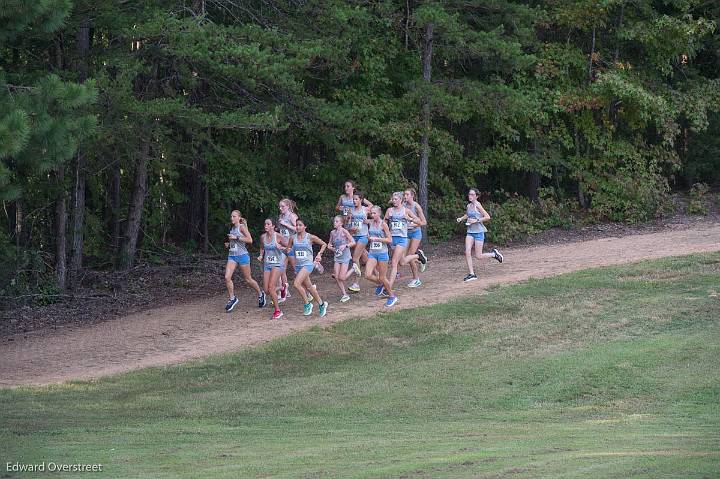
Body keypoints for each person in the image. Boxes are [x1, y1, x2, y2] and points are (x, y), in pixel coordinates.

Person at [455, 188, 503, 282]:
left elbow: (487, 217)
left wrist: (476, 221)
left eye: (472, 195)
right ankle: (472, 274)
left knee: (479, 256)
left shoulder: (478, 205)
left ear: (476, 196)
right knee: (467, 251)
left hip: (479, 232)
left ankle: (494, 254)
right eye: (469, 194)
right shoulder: (469, 205)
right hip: (470, 232)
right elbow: (468, 215)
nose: (470, 196)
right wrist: (461, 218)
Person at [223, 210, 265, 312]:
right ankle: (232, 298)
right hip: (232, 256)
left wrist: (236, 237)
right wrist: (229, 244)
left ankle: (260, 294)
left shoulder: (241, 227)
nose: (231, 218)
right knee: (227, 277)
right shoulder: (232, 228)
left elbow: (250, 240)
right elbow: (234, 241)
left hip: (242, 256)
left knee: (248, 279)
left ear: (239, 218)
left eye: (234, 216)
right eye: (231, 216)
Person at [385, 192, 425, 296]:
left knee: (394, 263)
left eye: (396, 199)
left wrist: (410, 219)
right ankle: (418, 255)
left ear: (401, 200)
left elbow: (420, 222)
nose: (394, 201)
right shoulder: (389, 210)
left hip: (402, 239)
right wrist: (387, 219)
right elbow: (383, 224)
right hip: (392, 239)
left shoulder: (406, 211)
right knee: (401, 262)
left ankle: (388, 287)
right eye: (393, 199)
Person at [287, 219, 329, 317]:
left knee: (296, 284)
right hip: (298, 265)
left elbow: (324, 244)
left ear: (305, 226)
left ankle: (307, 304)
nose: (298, 227)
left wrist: (319, 254)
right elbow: (289, 250)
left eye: (300, 225)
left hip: (308, 264)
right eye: (296, 225)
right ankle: (322, 304)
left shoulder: (310, 237)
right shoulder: (292, 238)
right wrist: (284, 249)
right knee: (309, 287)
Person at [258, 218, 289, 319]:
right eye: (265, 224)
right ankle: (282, 287)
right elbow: (262, 247)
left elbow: (289, 247)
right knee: (266, 290)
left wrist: (281, 248)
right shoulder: (263, 237)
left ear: (273, 226)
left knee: (271, 287)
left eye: (268, 224)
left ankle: (278, 311)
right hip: (267, 264)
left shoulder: (278, 236)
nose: (265, 226)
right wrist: (261, 255)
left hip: (277, 264)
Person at [364, 206, 395, 307]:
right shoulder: (370, 223)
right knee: (367, 275)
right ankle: (381, 284)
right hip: (373, 252)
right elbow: (363, 218)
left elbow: (390, 240)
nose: (372, 215)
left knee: (382, 277)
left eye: (374, 213)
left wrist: (377, 239)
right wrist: (369, 238)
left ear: (379, 214)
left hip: (382, 253)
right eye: (371, 213)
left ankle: (392, 296)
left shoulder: (384, 225)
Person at [346, 192, 373, 293]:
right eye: (353, 199)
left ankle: (356, 283)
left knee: (355, 258)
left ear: (361, 200)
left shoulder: (365, 209)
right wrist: (350, 226)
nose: (354, 201)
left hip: (363, 236)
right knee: (366, 259)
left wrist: (368, 222)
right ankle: (379, 276)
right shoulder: (350, 210)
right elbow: (347, 224)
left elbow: (373, 209)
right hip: (354, 237)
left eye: (356, 199)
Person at [327, 215, 357, 302]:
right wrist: (331, 248)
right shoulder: (332, 233)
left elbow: (353, 242)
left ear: (341, 223)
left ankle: (353, 268)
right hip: (337, 256)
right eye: (334, 221)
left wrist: (345, 245)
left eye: (337, 221)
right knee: (336, 277)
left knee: (342, 278)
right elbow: (329, 244)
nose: (334, 223)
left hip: (345, 256)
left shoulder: (344, 231)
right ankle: (345, 294)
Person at [402, 188, 428, 287]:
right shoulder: (403, 206)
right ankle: (420, 256)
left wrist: (412, 223)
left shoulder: (416, 206)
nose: (405, 196)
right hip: (405, 233)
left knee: (410, 255)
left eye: (407, 194)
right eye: (404, 194)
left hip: (415, 233)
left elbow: (424, 222)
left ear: (412, 196)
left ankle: (416, 279)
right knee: (404, 258)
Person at [277, 198, 298, 302]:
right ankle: (285, 290)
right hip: (282, 246)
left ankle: (309, 290)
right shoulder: (281, 216)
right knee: (281, 269)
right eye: (280, 207)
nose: (280, 209)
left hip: (292, 246)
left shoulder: (292, 216)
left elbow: (298, 229)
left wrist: (286, 224)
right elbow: (280, 231)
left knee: (297, 269)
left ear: (288, 207)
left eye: (282, 206)